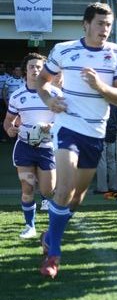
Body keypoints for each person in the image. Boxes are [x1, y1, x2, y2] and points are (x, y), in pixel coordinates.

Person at [36, 2, 117, 278]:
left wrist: (99, 86)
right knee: (63, 190)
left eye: (108, 25)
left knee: (76, 198)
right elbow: (42, 80)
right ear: (86, 24)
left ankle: (49, 234)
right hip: (68, 127)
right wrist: (49, 99)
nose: (105, 30)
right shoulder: (64, 50)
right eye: (100, 23)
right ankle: (53, 256)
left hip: (96, 133)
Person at [3, 53, 61, 239]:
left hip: (47, 148)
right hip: (25, 148)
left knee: (47, 190)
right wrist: (10, 130)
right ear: (25, 71)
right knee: (27, 189)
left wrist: (49, 127)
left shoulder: (55, 94)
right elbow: (8, 122)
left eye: (39, 67)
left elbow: (64, 122)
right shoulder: (17, 96)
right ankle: (30, 227)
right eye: (31, 67)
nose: (35, 70)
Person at [95, 104, 117, 193]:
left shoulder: (99, 102)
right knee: (112, 161)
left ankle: (102, 188)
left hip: (101, 132)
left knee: (101, 161)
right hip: (112, 133)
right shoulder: (115, 104)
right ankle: (114, 187)